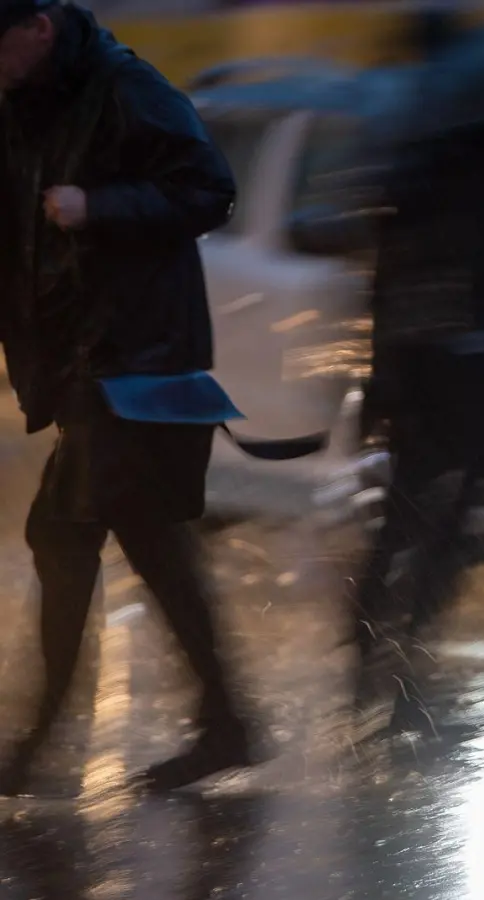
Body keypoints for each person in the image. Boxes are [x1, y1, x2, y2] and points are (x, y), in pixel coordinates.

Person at [0, 0, 265, 792]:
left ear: (39, 28)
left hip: (138, 365)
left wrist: (101, 207)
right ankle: (224, 722)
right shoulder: (26, 106)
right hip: (87, 367)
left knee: (76, 534)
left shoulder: (127, 89)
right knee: (126, 544)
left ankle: (41, 739)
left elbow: (210, 190)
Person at [350, 8, 484, 737]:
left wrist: (381, 375)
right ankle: (395, 669)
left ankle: (375, 663)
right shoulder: (483, 138)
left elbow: (385, 255)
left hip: (423, 349)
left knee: (420, 513)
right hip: (460, 347)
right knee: (444, 516)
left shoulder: (412, 132)